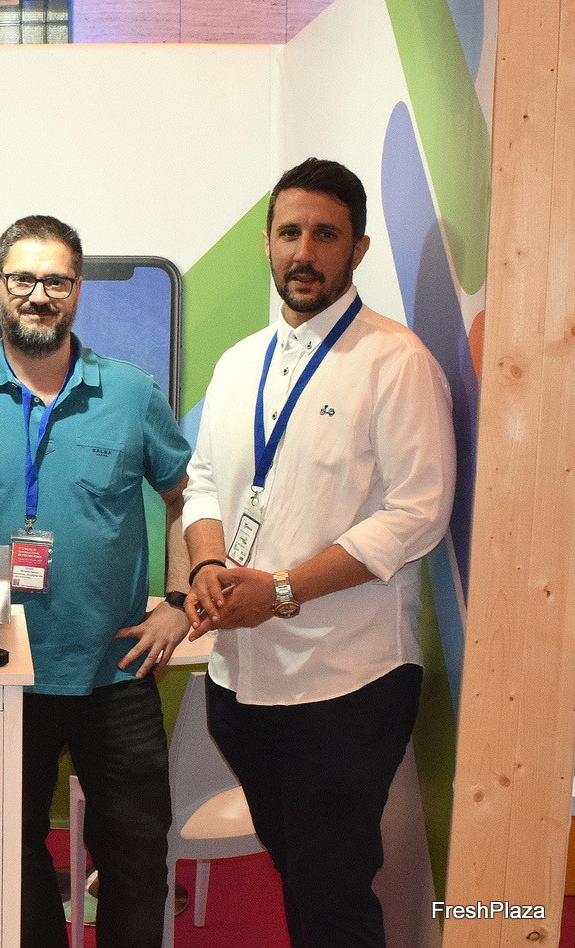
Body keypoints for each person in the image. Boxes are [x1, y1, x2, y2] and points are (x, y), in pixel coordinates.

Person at [182, 158, 456, 947]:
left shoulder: (396, 363)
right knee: (303, 878)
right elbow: (205, 483)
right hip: (241, 679)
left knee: (331, 893)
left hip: (349, 683)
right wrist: (207, 567)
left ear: (358, 248)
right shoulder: (239, 363)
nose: (305, 252)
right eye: (291, 232)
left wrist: (282, 591)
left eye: (326, 235)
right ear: (267, 243)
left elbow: (418, 514)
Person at [0, 215, 193, 948]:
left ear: (77, 291)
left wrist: (178, 602)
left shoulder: (131, 392)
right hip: (0, 671)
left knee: (137, 863)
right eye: (23, 279)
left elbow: (186, 495)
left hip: (117, 670)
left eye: (56, 281)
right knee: (12, 858)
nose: (39, 295)